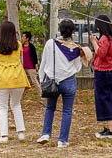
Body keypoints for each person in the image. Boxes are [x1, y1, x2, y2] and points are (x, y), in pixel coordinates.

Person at [35, 19, 86, 148]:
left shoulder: (50, 43)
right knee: (67, 111)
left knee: (50, 108)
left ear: (60, 29)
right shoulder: (75, 48)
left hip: (51, 80)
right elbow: (78, 67)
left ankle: (45, 134)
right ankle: (62, 140)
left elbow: (43, 63)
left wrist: (41, 79)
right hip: (68, 81)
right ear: (73, 32)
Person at [0, 21, 30, 143]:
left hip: (3, 78)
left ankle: (4, 136)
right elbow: (20, 54)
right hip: (18, 78)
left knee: (2, 107)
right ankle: (21, 133)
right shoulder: (18, 44)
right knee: (16, 105)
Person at [90, 15, 112, 139]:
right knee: (110, 99)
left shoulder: (103, 39)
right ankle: (109, 127)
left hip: (103, 73)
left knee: (103, 99)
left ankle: (111, 130)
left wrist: (93, 42)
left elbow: (101, 53)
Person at [21, 31, 39, 95]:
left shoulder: (31, 46)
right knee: (21, 81)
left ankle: (41, 94)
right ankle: (20, 95)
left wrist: (36, 65)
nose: (22, 38)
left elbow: (35, 56)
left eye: (23, 36)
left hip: (31, 67)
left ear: (27, 38)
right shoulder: (21, 46)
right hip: (23, 67)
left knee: (34, 81)